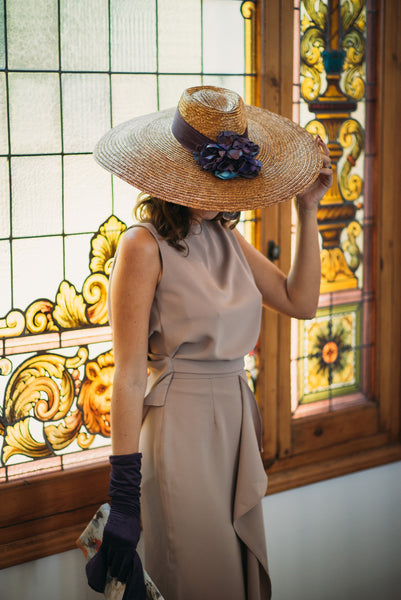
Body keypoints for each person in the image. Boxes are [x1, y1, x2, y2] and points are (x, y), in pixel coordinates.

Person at [85, 85, 332, 600]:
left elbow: (299, 300)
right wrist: (123, 495)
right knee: (198, 579)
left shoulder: (224, 236)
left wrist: (308, 211)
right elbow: (128, 375)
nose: (217, 194)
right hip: (179, 434)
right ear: (170, 172)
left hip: (236, 430)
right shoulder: (141, 246)